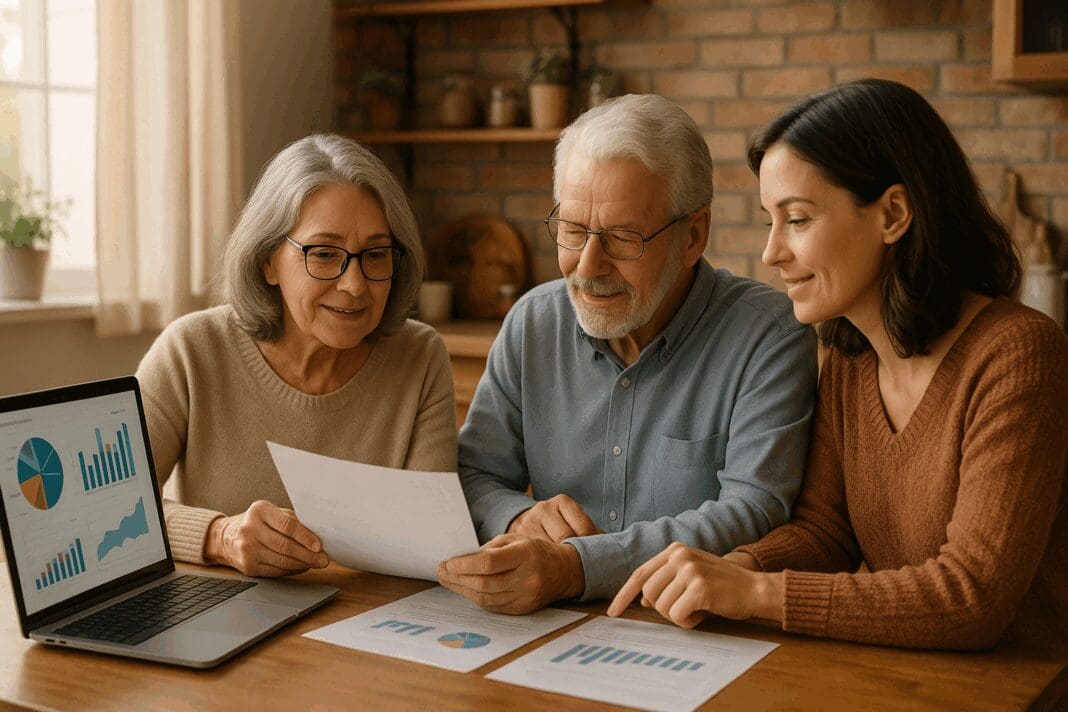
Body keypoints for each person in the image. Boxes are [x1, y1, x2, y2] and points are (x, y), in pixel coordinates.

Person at [609, 79, 1068, 652]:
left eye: (797, 219)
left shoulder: (1018, 355)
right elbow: (826, 532)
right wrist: (727, 566)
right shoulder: (852, 358)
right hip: (911, 677)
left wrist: (755, 593)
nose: (771, 252)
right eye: (769, 220)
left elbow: (970, 597)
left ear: (893, 214)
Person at [437, 94, 818, 614]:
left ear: (694, 236)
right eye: (572, 230)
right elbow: (475, 472)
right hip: (544, 629)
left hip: (697, 636)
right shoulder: (533, 322)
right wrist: (514, 517)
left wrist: (577, 567)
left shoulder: (769, 335)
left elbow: (753, 510)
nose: (589, 265)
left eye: (622, 238)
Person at [137, 134, 457, 577]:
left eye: (376, 255)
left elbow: (429, 538)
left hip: (363, 620)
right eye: (324, 254)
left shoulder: (420, 357)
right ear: (268, 260)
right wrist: (219, 536)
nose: (354, 285)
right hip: (217, 617)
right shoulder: (191, 350)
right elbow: (107, 508)